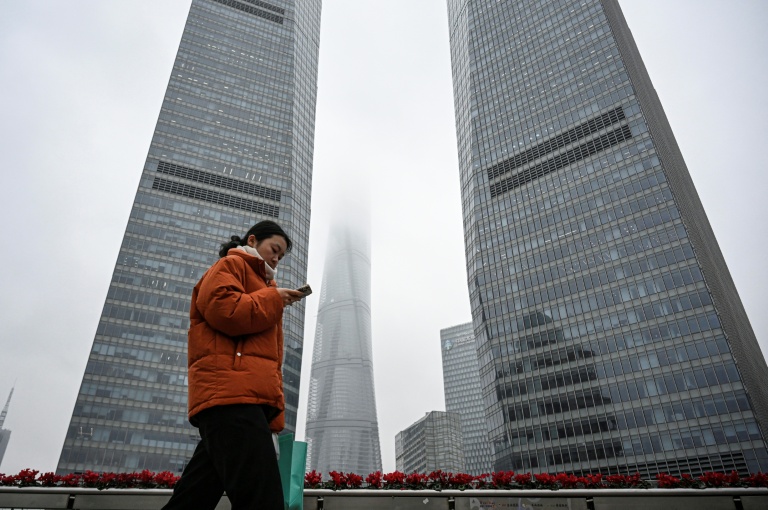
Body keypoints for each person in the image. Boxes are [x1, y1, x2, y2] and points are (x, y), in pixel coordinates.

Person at [162, 220, 306, 510]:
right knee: (262, 499)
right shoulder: (230, 266)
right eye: (274, 249)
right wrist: (273, 298)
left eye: (281, 255)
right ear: (252, 240)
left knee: (193, 499)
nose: (277, 258)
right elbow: (225, 312)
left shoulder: (263, 284)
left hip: (235, 400)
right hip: (233, 398)